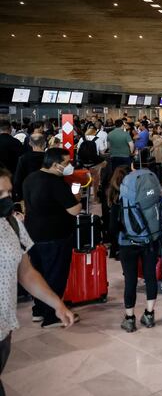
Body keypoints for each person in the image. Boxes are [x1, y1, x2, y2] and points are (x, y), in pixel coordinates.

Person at [0, 168, 76, 394]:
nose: (6, 199)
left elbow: (26, 272)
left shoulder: (11, 224)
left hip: (4, 329)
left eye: (8, 192)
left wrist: (57, 304)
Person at [22, 148, 83, 327]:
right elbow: (74, 210)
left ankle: (39, 310)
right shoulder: (56, 183)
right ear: (55, 165)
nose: (69, 166)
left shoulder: (30, 178)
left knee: (38, 274)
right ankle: (53, 315)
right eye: (66, 163)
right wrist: (76, 198)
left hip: (32, 234)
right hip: (55, 235)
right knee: (55, 275)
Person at [111, 165, 162, 333]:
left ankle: (130, 318)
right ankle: (149, 314)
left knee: (130, 280)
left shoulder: (118, 200)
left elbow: (112, 228)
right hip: (150, 240)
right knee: (150, 277)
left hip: (127, 244)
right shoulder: (147, 192)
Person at [12, 133, 45, 202]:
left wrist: (20, 197)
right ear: (44, 143)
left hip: (29, 193)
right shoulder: (50, 157)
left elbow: (18, 180)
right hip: (48, 192)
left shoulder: (23, 158)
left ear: (30, 143)